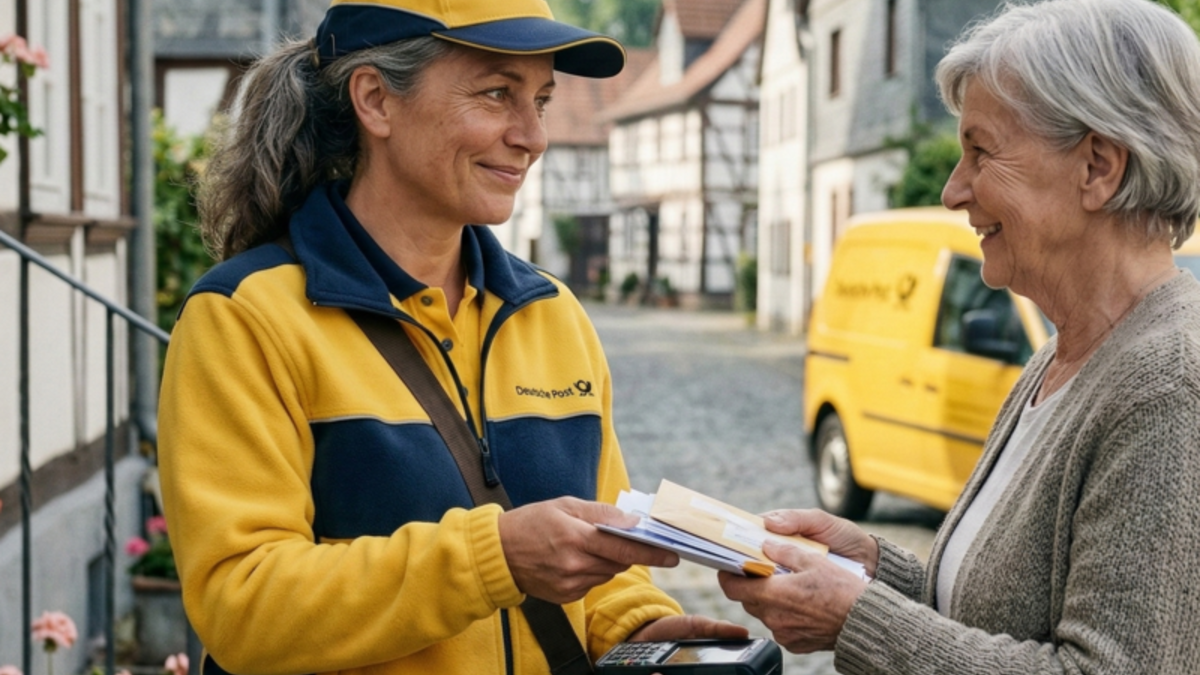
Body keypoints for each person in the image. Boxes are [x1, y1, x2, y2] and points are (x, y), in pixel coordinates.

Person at [157, 1, 747, 673]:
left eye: (542, 101)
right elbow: (244, 606)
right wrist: (492, 556)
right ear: (376, 100)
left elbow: (600, 558)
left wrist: (646, 630)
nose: (533, 136)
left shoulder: (552, 315)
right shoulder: (244, 318)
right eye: (498, 94)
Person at [718, 0, 1200, 672]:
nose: (952, 190)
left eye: (981, 151)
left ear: (1098, 167)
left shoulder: (1170, 386)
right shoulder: (1061, 358)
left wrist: (858, 616)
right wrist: (873, 571)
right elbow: (998, 616)